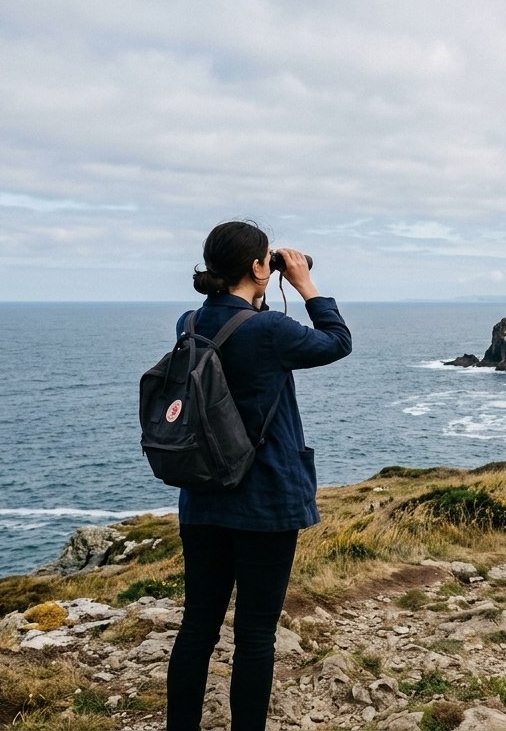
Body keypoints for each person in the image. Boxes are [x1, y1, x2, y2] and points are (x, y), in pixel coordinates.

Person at [166, 219, 352, 731]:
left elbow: (236, 325)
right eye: (266, 259)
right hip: (264, 502)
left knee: (197, 627)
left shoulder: (189, 321)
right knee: (253, 635)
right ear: (257, 266)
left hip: (202, 498)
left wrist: (263, 287)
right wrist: (305, 285)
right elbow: (336, 342)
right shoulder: (270, 331)